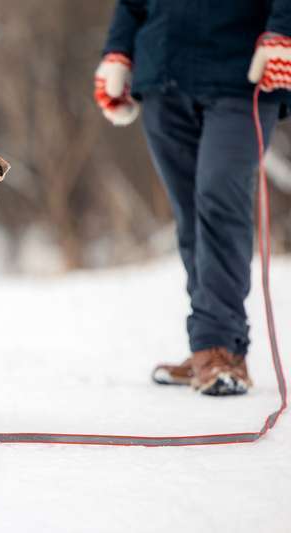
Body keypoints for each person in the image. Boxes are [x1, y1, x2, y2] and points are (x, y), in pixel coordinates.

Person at [95, 1, 291, 395]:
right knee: (190, 214)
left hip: (242, 74)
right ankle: (212, 346)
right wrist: (117, 52)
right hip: (164, 74)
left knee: (219, 199)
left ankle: (219, 348)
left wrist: (283, 32)